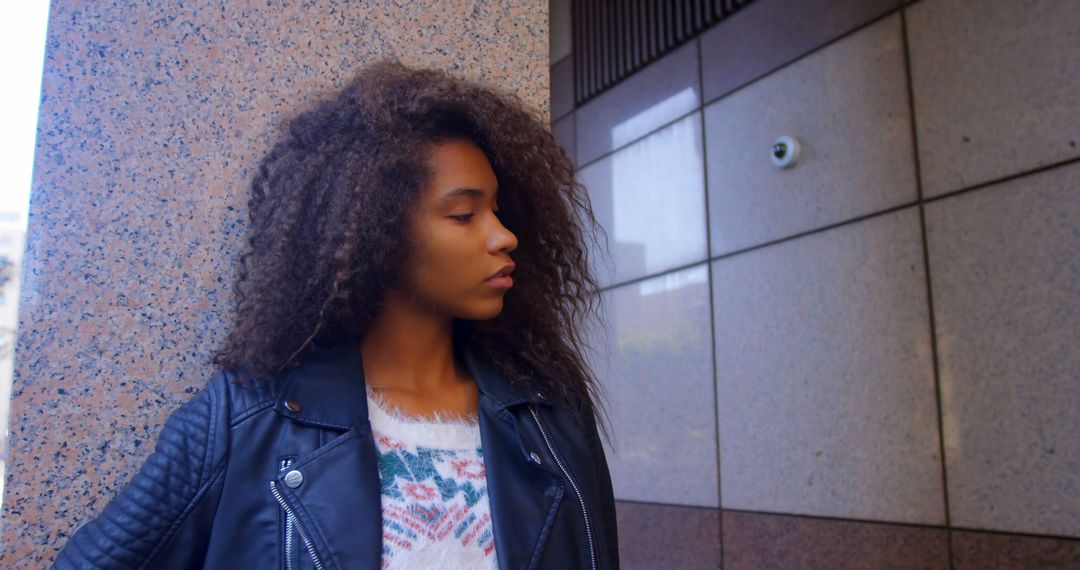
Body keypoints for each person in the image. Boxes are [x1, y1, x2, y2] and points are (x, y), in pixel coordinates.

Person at [52, 59, 618, 569]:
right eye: (465, 214)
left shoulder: (551, 417)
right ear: (377, 229)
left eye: (497, 209)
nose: (504, 236)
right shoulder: (245, 421)